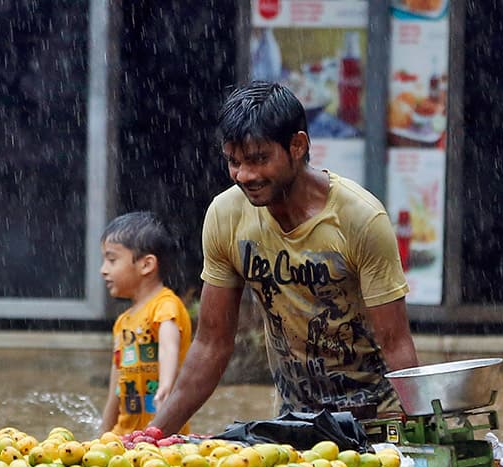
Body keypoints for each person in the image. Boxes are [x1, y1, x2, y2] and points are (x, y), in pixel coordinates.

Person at [148, 80, 418, 437]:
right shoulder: (226, 216)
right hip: (295, 424)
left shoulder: (360, 219)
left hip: (376, 422)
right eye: (234, 161)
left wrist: (422, 430)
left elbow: (396, 342)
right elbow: (212, 344)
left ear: (298, 146)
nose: (246, 175)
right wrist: (152, 435)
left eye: (259, 159)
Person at [99, 212, 193, 437]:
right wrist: (103, 433)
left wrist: (166, 387)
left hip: (164, 437)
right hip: (124, 435)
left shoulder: (165, 306)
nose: (103, 269)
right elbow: (116, 384)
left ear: (146, 265)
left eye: (112, 260)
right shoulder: (123, 322)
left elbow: (168, 347)